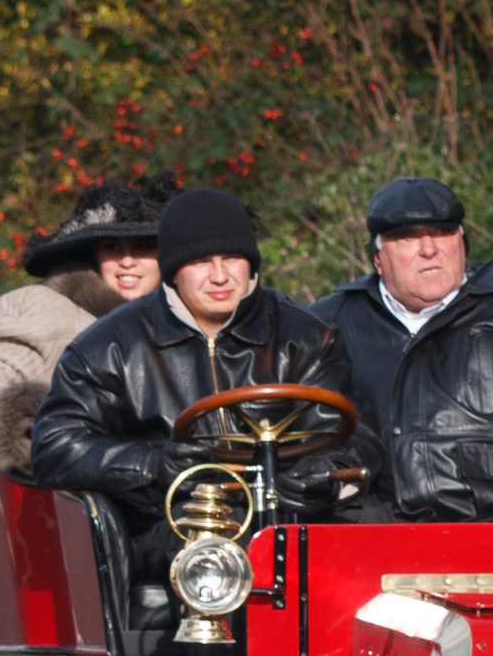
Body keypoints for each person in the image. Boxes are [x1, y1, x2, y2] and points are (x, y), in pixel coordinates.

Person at [31, 187, 368, 579]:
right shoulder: (110, 346)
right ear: (173, 270)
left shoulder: (308, 337)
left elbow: (356, 434)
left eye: (232, 259)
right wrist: (152, 465)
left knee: (370, 537)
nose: (220, 276)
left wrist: (324, 475)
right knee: (221, 552)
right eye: (202, 262)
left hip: (297, 514)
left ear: (252, 264)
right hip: (173, 520)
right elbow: (55, 445)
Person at [312, 176, 493, 522]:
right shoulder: (324, 328)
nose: (428, 250)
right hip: (372, 532)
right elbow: (308, 431)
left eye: (441, 233)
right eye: (408, 237)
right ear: (377, 259)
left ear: (463, 244)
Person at [0, 175, 178, 472]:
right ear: (93, 256)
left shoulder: (187, 321)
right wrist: (36, 429)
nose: (127, 261)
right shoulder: (48, 310)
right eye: (112, 247)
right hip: (86, 499)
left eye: (142, 247)